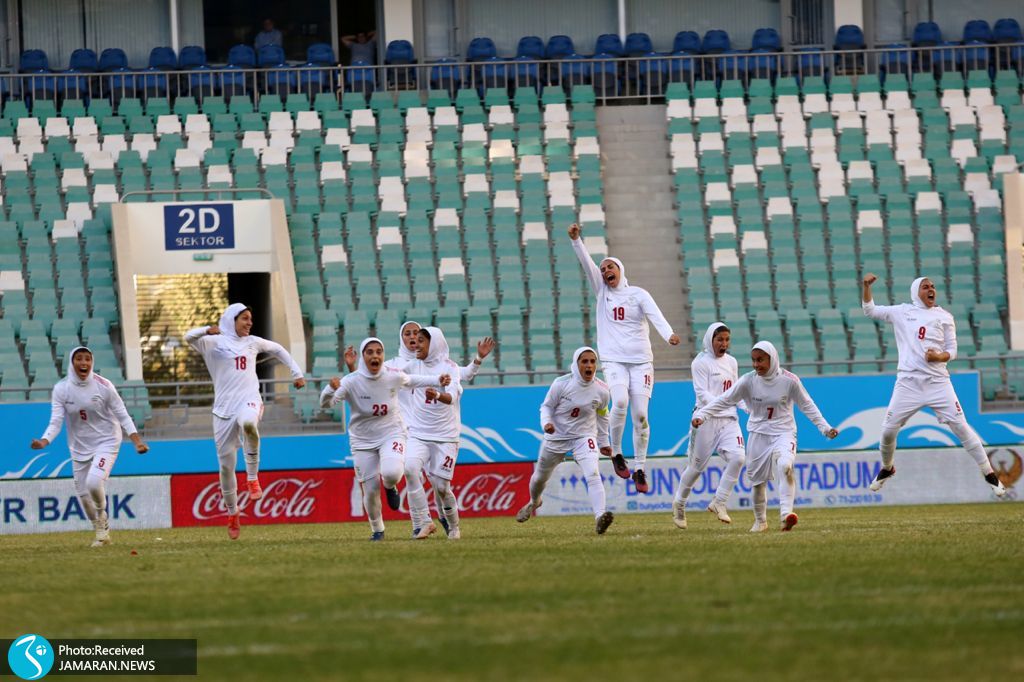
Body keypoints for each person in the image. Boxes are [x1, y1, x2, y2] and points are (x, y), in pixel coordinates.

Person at [861, 273, 1007, 497]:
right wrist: (866, 286)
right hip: (908, 382)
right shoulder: (902, 312)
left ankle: (989, 473)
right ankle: (887, 468)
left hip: (938, 382)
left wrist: (939, 357)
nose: (931, 289)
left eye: (933, 286)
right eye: (925, 287)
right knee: (888, 431)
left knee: (961, 426)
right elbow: (869, 310)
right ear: (915, 292)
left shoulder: (945, 317)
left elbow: (953, 349)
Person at [345, 321, 495, 532]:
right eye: (408, 334)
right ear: (401, 338)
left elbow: (465, 375)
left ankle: (443, 516)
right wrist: (353, 367)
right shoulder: (397, 364)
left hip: (435, 429)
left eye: (417, 334)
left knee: (438, 483)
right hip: (404, 429)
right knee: (409, 471)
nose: (413, 337)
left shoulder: (441, 364)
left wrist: (478, 359)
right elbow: (369, 375)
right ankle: (418, 518)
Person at [569, 222, 680, 493]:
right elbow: (587, 265)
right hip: (613, 360)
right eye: (604, 268)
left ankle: (640, 468)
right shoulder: (602, 293)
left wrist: (668, 335)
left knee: (641, 415)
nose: (606, 271)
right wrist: (576, 241)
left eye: (611, 267)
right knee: (619, 401)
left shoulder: (638, 294)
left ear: (621, 271)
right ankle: (617, 453)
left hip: (641, 361)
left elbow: (655, 316)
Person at [185, 303, 305, 540]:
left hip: (249, 401)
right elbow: (188, 337)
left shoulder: (253, 342)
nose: (250, 323)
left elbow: (278, 349)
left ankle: (252, 479)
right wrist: (206, 330)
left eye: (251, 318)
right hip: (222, 412)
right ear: (232, 319)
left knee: (249, 424)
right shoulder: (213, 343)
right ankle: (232, 513)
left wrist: (297, 373)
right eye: (245, 318)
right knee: (226, 467)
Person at [692, 341, 839, 532]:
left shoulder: (790, 380)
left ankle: (786, 515)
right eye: (753, 360)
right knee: (757, 482)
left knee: (785, 465)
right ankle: (760, 521)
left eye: (760, 360)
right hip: (758, 434)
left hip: (784, 432)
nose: (756, 365)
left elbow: (807, 405)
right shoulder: (748, 380)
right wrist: (702, 414)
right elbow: (725, 399)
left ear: (773, 359)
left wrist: (825, 428)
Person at [321, 338, 451, 540]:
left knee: (391, 473)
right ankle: (377, 530)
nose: (375, 356)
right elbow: (326, 404)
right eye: (370, 352)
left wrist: (437, 380)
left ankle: (390, 486)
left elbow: (413, 380)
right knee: (371, 490)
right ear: (363, 357)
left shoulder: (392, 376)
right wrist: (329, 389)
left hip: (391, 432)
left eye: (379, 352)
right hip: (362, 441)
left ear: (383, 355)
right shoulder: (351, 381)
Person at [31, 347, 149, 547]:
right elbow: (56, 421)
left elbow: (122, 414)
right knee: (84, 495)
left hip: (107, 440)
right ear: (72, 362)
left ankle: (102, 517)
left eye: (87, 359)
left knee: (94, 483)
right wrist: (44, 441)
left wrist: (136, 440)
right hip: (79, 446)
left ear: (92, 362)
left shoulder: (104, 386)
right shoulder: (61, 389)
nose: (83, 363)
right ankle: (100, 532)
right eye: (79, 359)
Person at [516, 347, 616, 535]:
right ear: (576, 364)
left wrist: (604, 442)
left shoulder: (602, 390)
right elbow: (546, 407)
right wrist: (547, 423)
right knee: (539, 478)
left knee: (593, 474)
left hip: (584, 437)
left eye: (592, 362)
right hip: (557, 437)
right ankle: (534, 501)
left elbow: (603, 415)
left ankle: (600, 517)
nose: (589, 366)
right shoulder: (561, 384)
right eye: (584, 361)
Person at [672, 322, 746, 529]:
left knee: (739, 458)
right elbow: (702, 394)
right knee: (696, 468)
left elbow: (736, 392)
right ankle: (679, 504)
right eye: (719, 339)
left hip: (729, 420)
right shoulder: (700, 363)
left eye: (727, 340)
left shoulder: (732, 362)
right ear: (710, 340)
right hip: (705, 419)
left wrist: (749, 407)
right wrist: (724, 403)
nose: (724, 344)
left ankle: (719, 501)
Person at [402, 327, 465, 540]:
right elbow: (391, 379)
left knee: (441, 487)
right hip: (418, 433)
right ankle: (424, 522)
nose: (416, 344)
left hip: (446, 436)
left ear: (435, 343)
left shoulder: (451, 367)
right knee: (410, 469)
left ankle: (454, 527)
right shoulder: (412, 366)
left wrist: (438, 394)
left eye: (421, 340)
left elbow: (452, 398)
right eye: (414, 340)